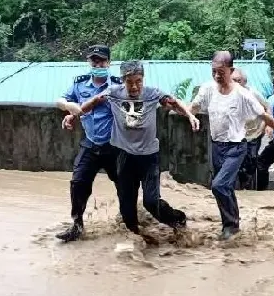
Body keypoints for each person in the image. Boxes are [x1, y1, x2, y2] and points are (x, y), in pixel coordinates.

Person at [80, 60, 200, 235]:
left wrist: (189, 115)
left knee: (151, 202)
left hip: (148, 157)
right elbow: (93, 102)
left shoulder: (153, 94)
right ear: (123, 81)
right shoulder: (113, 93)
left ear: (143, 80)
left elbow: (174, 103)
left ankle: (178, 220)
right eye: (129, 82)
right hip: (124, 156)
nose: (134, 87)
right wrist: (73, 116)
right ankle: (136, 238)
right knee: (127, 205)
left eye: (138, 81)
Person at [190, 51, 274, 240]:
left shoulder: (242, 94)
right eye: (213, 71)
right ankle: (231, 226)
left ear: (230, 70)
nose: (216, 76)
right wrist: (185, 112)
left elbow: (264, 114)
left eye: (220, 72)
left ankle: (231, 226)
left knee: (218, 185)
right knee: (226, 188)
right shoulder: (208, 89)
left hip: (236, 147)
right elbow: (194, 107)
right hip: (216, 146)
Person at [55, 44, 122, 242]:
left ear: (109, 63)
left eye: (101, 60)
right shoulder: (80, 84)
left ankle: (129, 220)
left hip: (114, 146)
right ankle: (77, 225)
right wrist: (69, 109)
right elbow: (60, 100)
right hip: (91, 144)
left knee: (125, 185)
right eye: (93, 60)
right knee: (78, 183)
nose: (97, 63)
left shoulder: (118, 85)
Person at [231, 68, 272, 190]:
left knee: (252, 159)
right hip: (236, 134)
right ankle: (241, 186)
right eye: (233, 80)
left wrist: (268, 125)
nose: (236, 83)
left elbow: (267, 108)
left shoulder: (253, 93)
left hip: (254, 133)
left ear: (245, 81)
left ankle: (248, 184)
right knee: (237, 161)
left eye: (239, 81)